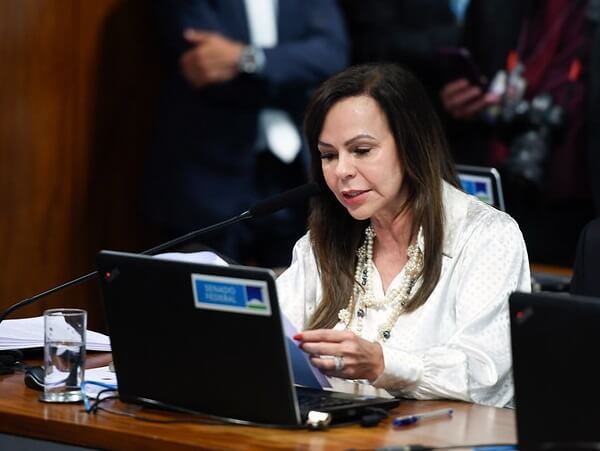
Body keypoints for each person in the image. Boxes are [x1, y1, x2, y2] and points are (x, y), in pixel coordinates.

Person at [276, 64, 531, 408]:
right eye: (328, 155)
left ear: (412, 144)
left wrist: (383, 364)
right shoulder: (319, 243)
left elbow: (488, 378)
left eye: (362, 150)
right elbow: (272, 342)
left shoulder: (487, 237)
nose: (342, 171)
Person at [142, 1, 348, 267]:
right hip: (208, 173)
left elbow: (332, 55)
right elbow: (204, 64)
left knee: (297, 297)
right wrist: (294, 78)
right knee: (205, 299)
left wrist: (247, 59)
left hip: (292, 175)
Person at [439, 0, 594, 266]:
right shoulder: (494, 8)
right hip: (503, 195)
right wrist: (460, 104)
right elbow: (465, 90)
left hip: (582, 202)